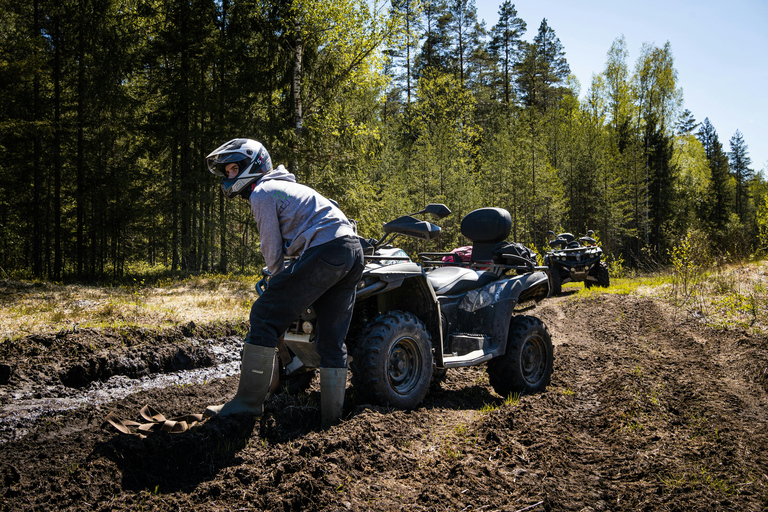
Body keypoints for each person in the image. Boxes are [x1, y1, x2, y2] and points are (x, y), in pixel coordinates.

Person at [204, 138, 364, 429]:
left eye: (231, 170)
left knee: (264, 316)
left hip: (327, 248)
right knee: (331, 339)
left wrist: (276, 280)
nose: (229, 177)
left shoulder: (263, 192)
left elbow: (272, 250)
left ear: (250, 166)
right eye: (226, 172)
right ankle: (331, 421)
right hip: (351, 251)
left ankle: (247, 405)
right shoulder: (287, 187)